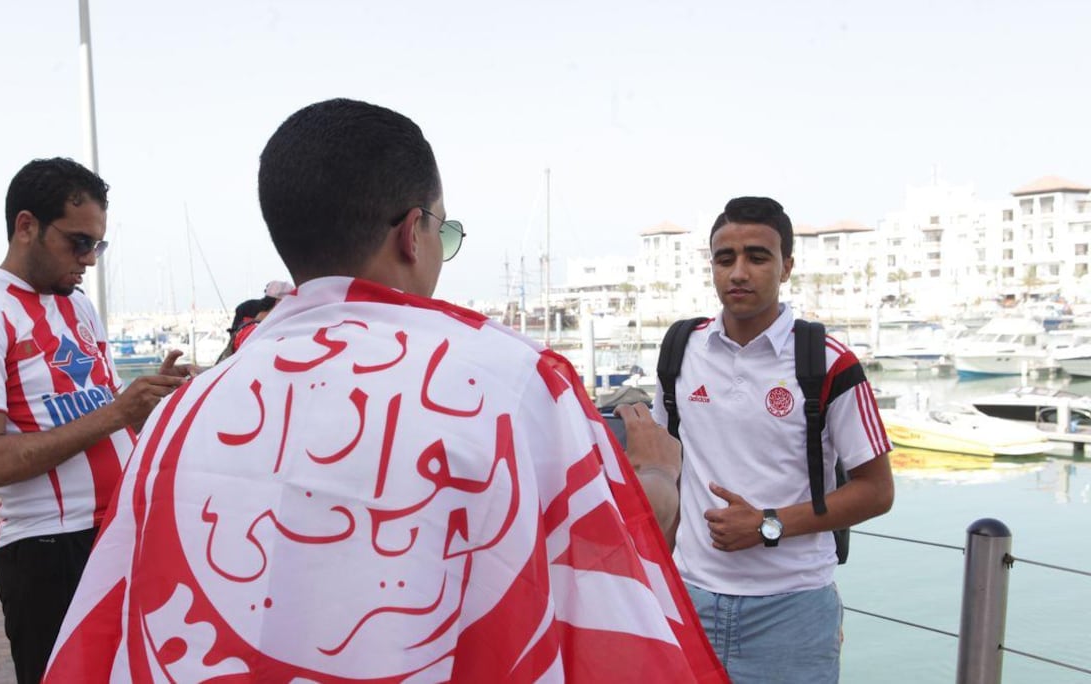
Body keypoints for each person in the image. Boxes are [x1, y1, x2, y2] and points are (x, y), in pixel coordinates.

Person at [46, 99, 726, 683]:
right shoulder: (511, 386)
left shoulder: (185, 410)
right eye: (445, 231)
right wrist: (658, 477)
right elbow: (598, 596)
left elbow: (114, 617)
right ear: (413, 232)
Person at [0, 157, 193, 684]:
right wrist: (118, 410)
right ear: (26, 226)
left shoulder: (76, 304)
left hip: (116, 530)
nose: (90, 260)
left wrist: (146, 403)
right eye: (78, 242)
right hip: (48, 549)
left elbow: (98, 413)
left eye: (98, 245)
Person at [650, 196, 895, 684]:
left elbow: (877, 490)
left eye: (757, 257)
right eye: (725, 258)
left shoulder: (827, 361)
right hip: (689, 598)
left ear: (786, 268)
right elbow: (672, 468)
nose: (739, 271)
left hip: (792, 611)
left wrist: (767, 525)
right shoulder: (680, 350)